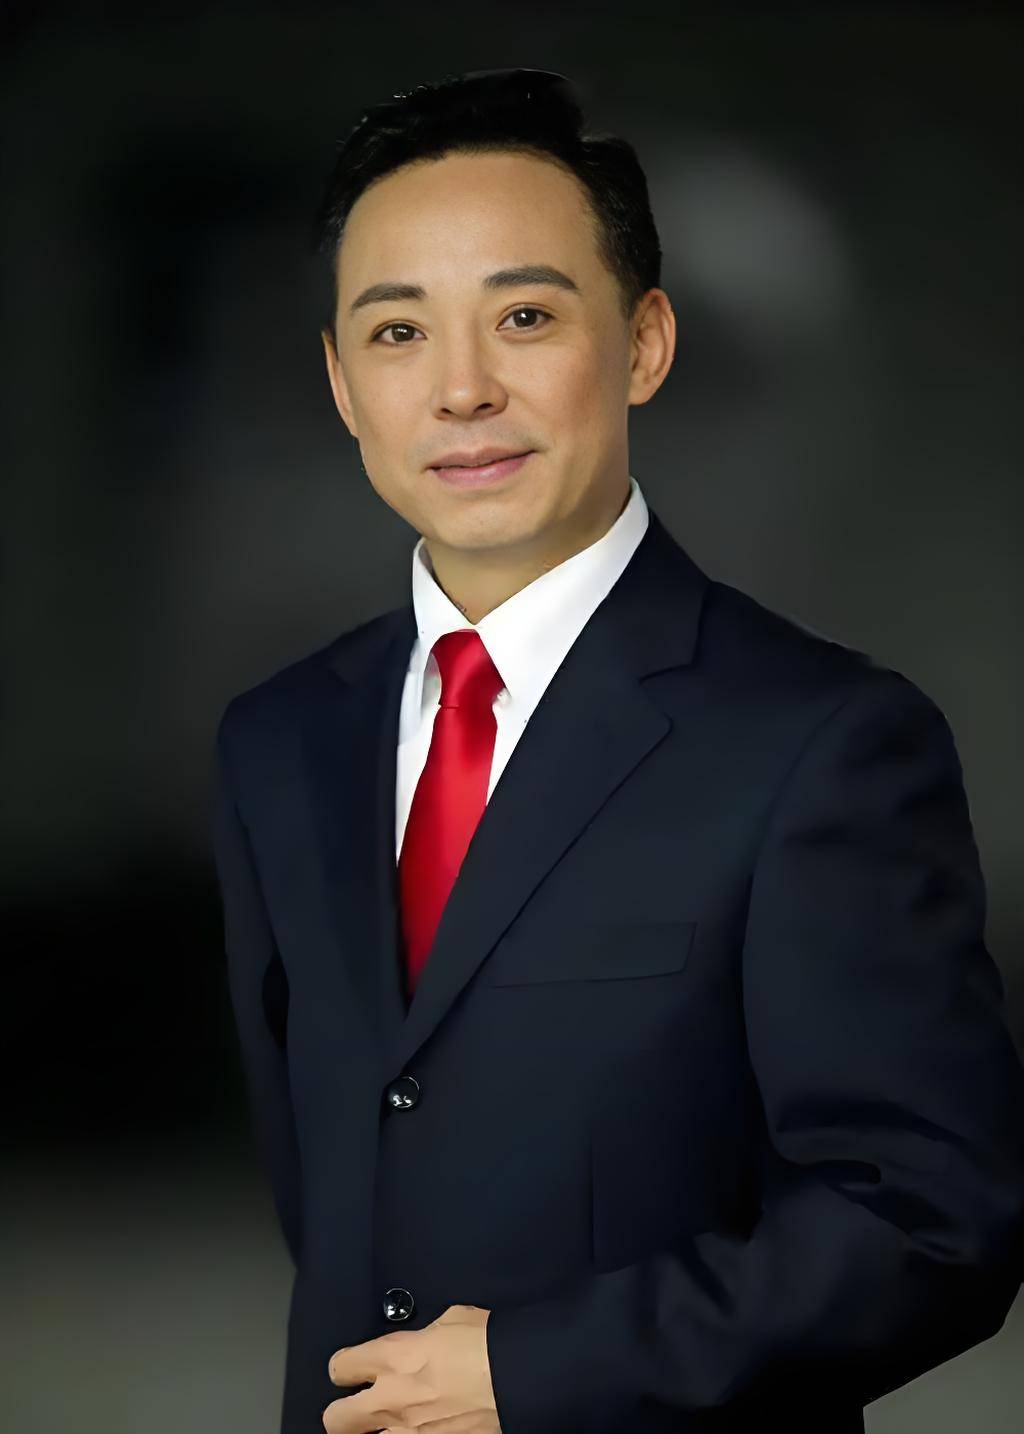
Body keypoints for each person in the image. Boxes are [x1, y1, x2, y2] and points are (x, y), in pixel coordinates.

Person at [211, 67, 1024, 1434]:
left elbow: (936, 1220)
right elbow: (338, 1182)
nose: (461, 389)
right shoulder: (280, 741)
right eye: (398, 331)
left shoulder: (824, 744)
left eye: (525, 317)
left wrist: (538, 1370)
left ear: (644, 344)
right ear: (343, 384)